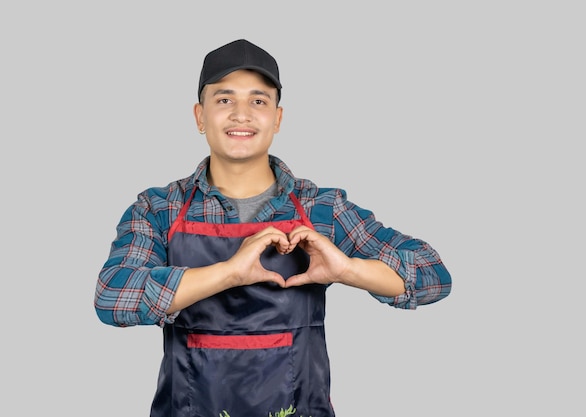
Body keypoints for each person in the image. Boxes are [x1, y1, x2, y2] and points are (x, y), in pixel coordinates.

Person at [94, 38, 452, 417]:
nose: (242, 114)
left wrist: (348, 270)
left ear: (278, 118)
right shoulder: (160, 209)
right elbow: (113, 296)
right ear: (200, 116)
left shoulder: (320, 209)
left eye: (259, 101)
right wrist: (229, 273)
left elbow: (433, 274)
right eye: (225, 99)